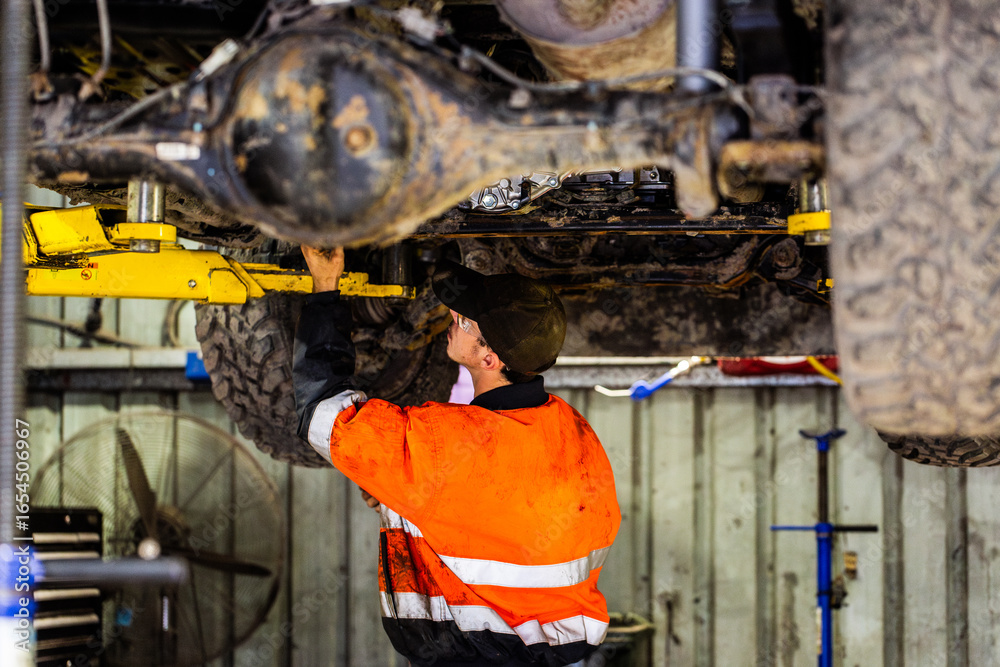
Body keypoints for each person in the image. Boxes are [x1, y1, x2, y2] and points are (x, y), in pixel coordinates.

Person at [294, 246, 620, 667]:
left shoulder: (441, 444)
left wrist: (325, 286)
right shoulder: (576, 433)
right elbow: (502, 516)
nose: (452, 315)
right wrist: (407, 503)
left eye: (464, 320)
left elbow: (323, 410)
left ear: (489, 358)